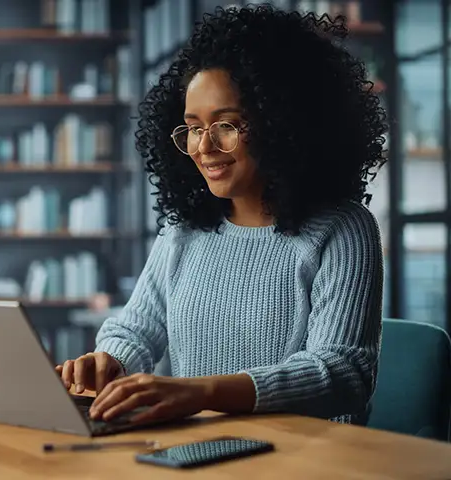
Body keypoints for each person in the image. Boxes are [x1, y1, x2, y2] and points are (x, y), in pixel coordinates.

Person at [56, 5, 387, 427]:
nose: (204, 147)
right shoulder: (183, 232)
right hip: (194, 451)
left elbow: (342, 372)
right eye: (193, 127)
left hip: (303, 460)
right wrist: (109, 363)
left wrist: (200, 393)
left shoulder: (343, 229)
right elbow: (135, 330)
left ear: (282, 123)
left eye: (226, 125)